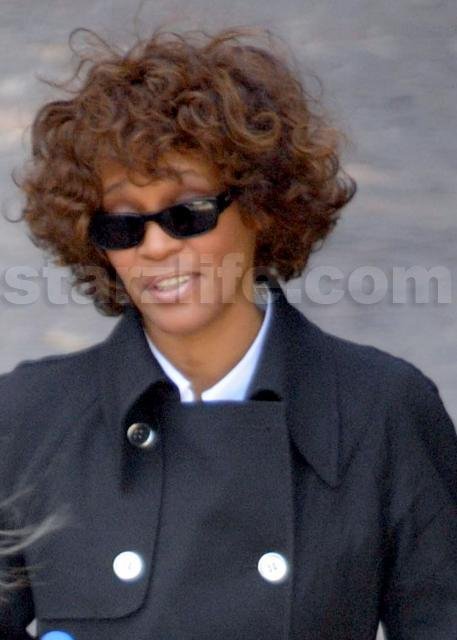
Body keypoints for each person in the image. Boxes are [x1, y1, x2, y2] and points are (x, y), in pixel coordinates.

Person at [0, 25, 456, 640]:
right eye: (123, 225)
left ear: (261, 209)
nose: (155, 247)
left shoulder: (382, 410)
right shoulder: (27, 417)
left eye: (188, 213)